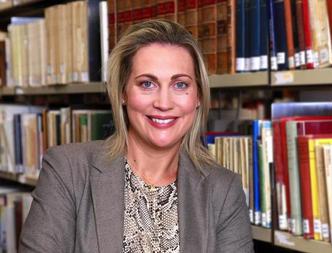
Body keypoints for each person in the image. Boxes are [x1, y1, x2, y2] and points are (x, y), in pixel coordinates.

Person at [19, 20, 253, 253]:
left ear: (198, 96)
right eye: (147, 84)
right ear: (123, 92)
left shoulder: (223, 190)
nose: (163, 103)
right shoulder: (68, 170)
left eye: (180, 85)